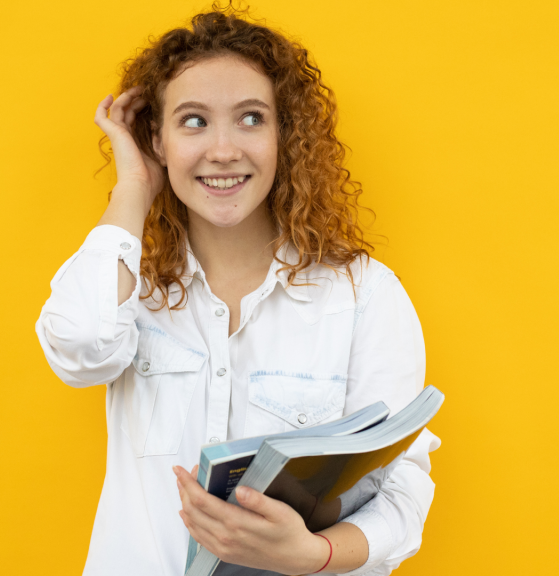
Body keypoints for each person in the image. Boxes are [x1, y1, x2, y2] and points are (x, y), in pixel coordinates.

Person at [35, 5, 441, 575]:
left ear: (284, 134)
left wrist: (313, 554)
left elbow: (399, 490)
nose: (223, 150)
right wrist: (133, 187)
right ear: (159, 139)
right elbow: (79, 349)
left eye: (250, 118)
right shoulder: (131, 292)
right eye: (193, 121)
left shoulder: (363, 295)